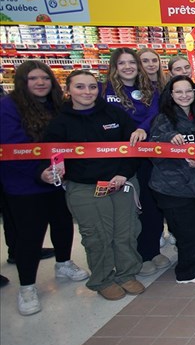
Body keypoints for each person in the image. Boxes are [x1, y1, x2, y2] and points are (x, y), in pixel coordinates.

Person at [40, 70, 145, 301]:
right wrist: (48, 172)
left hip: (121, 182)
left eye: (92, 87)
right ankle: (103, 279)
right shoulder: (60, 122)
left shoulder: (114, 113)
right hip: (85, 188)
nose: (87, 92)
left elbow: (134, 147)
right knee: (97, 236)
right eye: (80, 87)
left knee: (126, 232)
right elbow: (50, 156)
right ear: (68, 90)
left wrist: (123, 174)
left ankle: (127, 273)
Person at [0, 62, 88, 315]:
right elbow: (12, 146)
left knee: (62, 223)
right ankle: (27, 286)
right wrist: (39, 172)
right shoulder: (8, 107)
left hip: (59, 179)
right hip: (24, 183)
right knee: (30, 235)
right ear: (21, 81)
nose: (40, 83)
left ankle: (63, 262)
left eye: (45, 78)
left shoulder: (58, 105)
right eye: (33, 78)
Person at [104, 48, 168, 277]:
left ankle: (152, 250)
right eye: (122, 63)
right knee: (128, 209)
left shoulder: (150, 89)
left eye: (131, 62)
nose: (128, 67)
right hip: (119, 157)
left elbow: (155, 113)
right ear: (115, 66)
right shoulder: (105, 91)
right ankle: (135, 256)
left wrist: (142, 128)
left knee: (151, 204)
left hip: (147, 154)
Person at [148, 76, 195, 284]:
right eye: (179, 92)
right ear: (171, 95)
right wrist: (168, 140)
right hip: (171, 187)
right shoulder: (163, 119)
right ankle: (187, 272)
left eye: (188, 91)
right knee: (188, 231)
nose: (184, 95)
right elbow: (153, 151)